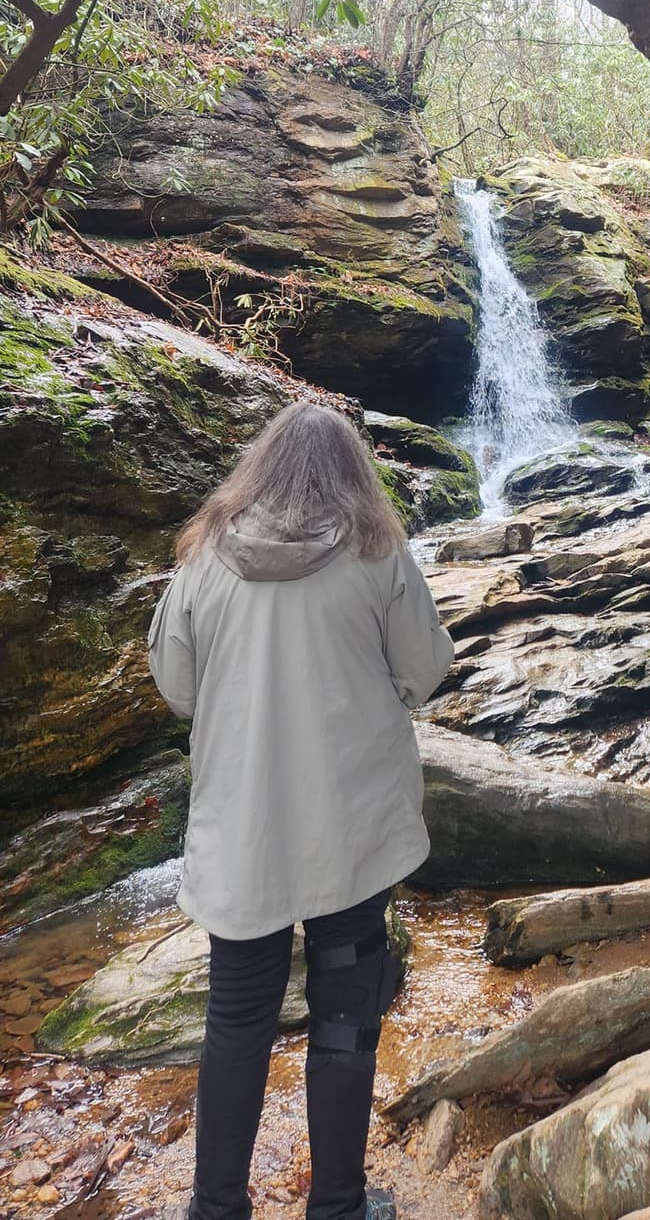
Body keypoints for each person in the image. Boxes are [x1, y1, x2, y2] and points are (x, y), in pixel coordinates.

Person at [148, 401, 455, 1220]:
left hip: (241, 836)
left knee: (236, 1021)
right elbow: (426, 667)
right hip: (352, 832)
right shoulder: (376, 550)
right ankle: (338, 1206)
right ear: (351, 470)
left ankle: (215, 1209)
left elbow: (177, 688)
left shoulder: (204, 557)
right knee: (348, 1015)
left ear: (261, 467)